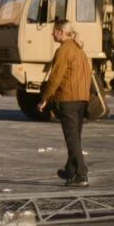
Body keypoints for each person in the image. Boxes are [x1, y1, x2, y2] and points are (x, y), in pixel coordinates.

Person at [38, 18, 91, 187]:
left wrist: (44, 98)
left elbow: (55, 78)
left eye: (54, 30)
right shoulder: (79, 50)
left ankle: (81, 175)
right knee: (75, 138)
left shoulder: (63, 50)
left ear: (61, 32)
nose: (52, 33)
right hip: (81, 99)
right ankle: (71, 171)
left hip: (68, 99)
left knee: (72, 139)